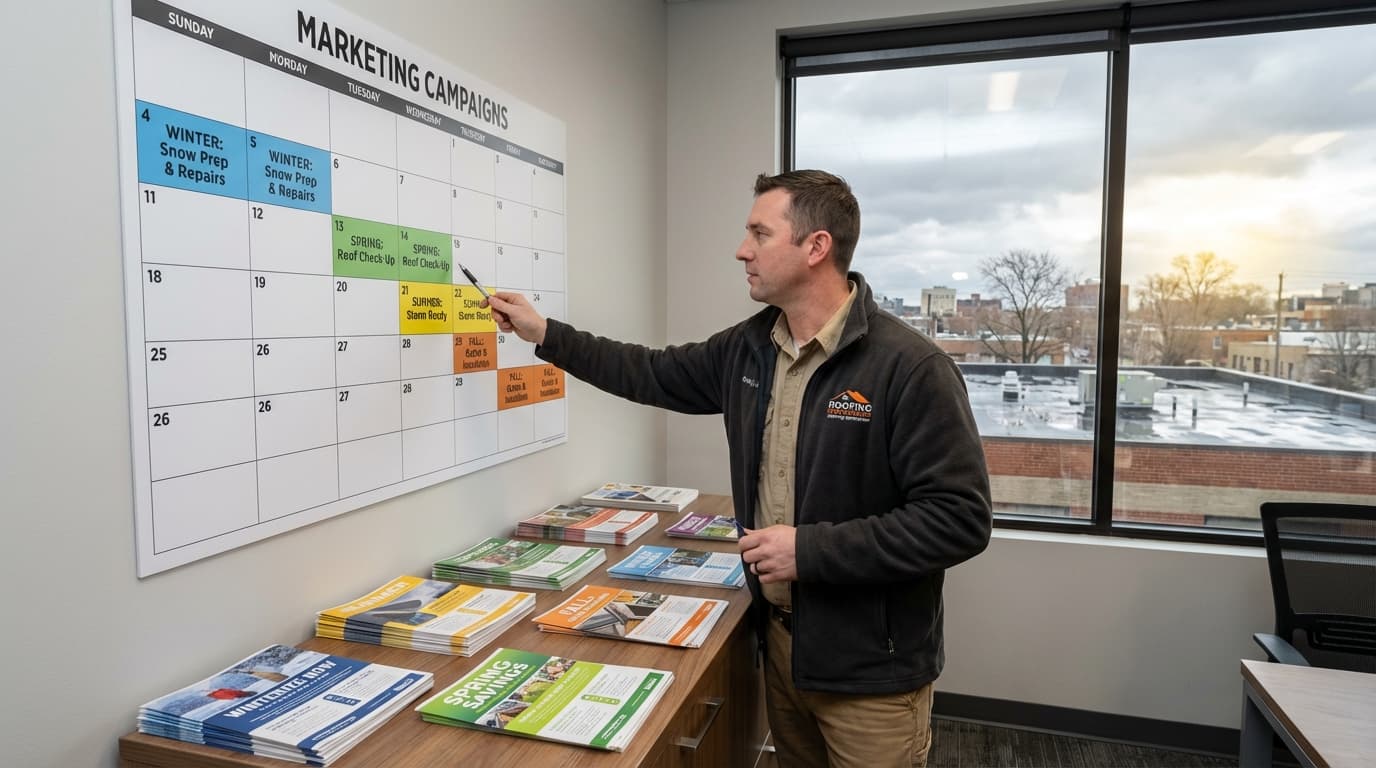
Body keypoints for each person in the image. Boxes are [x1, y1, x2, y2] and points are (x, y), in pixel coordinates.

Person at [486, 170, 992, 767]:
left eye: (759, 232)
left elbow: (959, 519)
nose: (741, 249)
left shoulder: (910, 368)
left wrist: (811, 550)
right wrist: (546, 334)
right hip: (780, 648)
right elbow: (649, 372)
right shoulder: (750, 347)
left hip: (871, 672)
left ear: (816, 247)